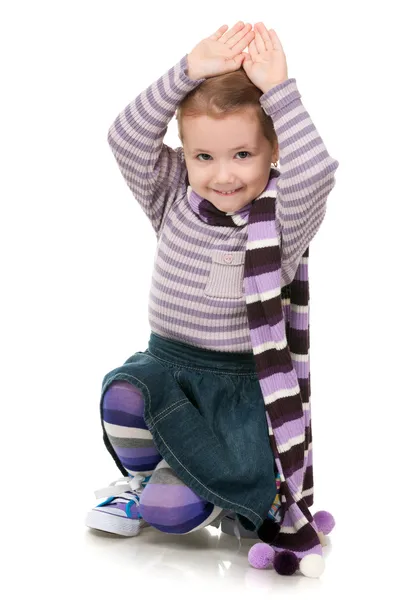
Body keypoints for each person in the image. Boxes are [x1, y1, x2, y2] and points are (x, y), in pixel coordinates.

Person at [85, 21, 339, 565]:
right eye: (203, 156)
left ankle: (227, 495)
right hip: (167, 369)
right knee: (123, 394)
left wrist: (280, 92)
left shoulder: (282, 219)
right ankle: (146, 476)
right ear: (185, 155)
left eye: (242, 155)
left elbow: (316, 171)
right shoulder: (172, 194)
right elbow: (124, 136)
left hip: (233, 396)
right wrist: (187, 71)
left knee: (170, 515)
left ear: (273, 150)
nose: (221, 175)